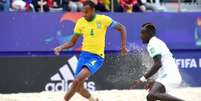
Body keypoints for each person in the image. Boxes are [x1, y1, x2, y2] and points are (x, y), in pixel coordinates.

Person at [53, 1, 128, 101]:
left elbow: (122, 28)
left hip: (97, 57)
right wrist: (60, 47)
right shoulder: (80, 22)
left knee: (77, 81)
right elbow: (72, 42)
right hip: (84, 55)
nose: (84, 15)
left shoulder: (103, 19)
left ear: (93, 10)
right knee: (79, 88)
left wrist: (123, 46)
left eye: (86, 12)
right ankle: (93, 100)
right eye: (83, 12)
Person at [133, 23, 184, 101]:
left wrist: (142, 79)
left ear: (149, 34)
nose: (140, 36)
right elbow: (161, 65)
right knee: (150, 97)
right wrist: (156, 81)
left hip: (170, 76)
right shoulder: (157, 42)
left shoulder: (152, 44)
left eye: (142, 33)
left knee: (153, 94)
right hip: (169, 75)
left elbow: (158, 64)